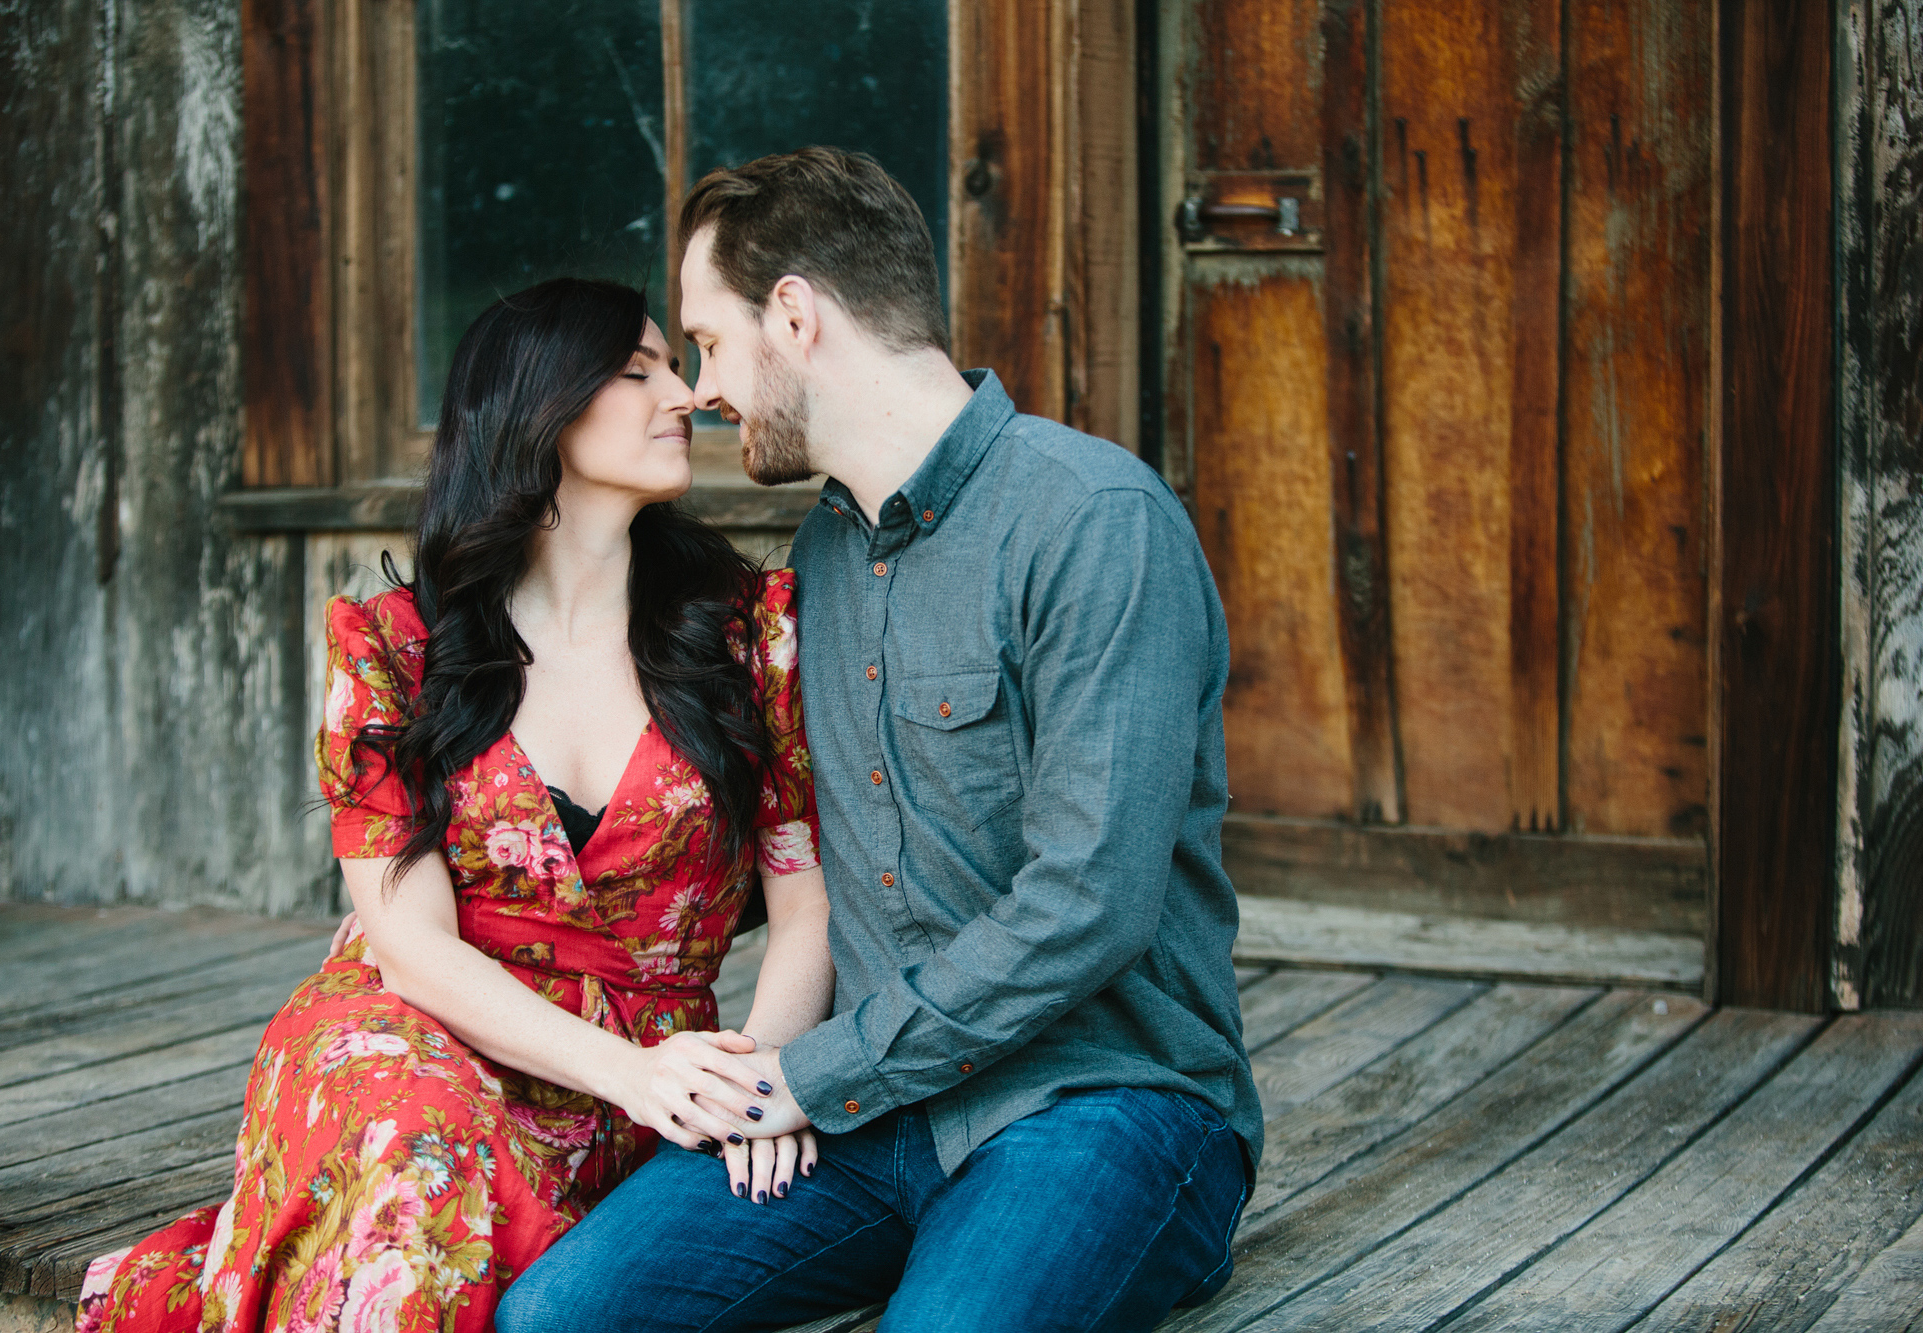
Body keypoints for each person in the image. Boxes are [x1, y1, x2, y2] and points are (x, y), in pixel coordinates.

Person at [495, 149, 1262, 1333]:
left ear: (793, 315)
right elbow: (797, 875)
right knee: (561, 1315)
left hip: (1102, 1099)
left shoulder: (1093, 523)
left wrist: (806, 1077)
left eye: (707, 341)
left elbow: (1087, 903)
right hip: (870, 1111)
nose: (700, 391)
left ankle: (1125, 1240)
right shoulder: (822, 565)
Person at [75, 278, 835, 1333]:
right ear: (541, 406)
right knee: (412, 1131)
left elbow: (807, 906)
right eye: (638, 369)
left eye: (674, 363)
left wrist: (759, 1085)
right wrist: (631, 1073)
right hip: (423, 1033)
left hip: (656, 1072)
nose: (686, 393)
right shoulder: (394, 646)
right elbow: (409, 949)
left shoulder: (751, 635)